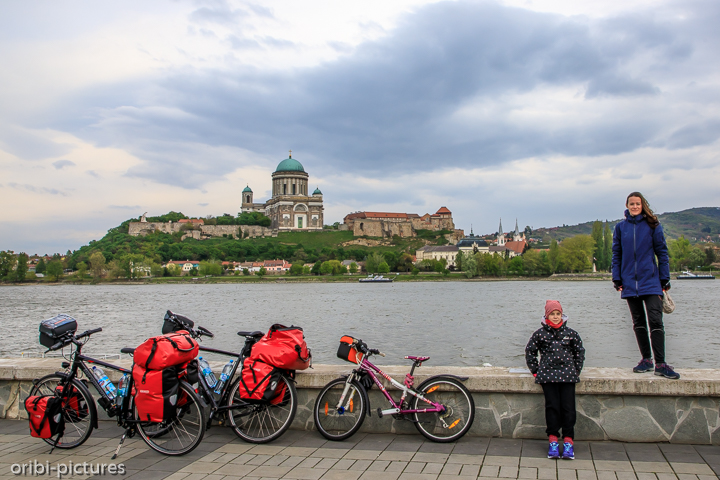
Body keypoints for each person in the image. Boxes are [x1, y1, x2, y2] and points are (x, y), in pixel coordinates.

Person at [611, 192, 678, 379]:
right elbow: (616, 255)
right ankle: (646, 360)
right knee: (638, 323)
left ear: (642, 206)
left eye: (637, 204)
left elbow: (662, 253)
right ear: (627, 205)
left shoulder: (653, 226)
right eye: (631, 204)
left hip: (651, 281)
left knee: (655, 321)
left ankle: (661, 364)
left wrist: (664, 279)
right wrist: (617, 279)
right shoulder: (620, 228)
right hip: (629, 283)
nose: (634, 207)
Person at [526, 300, 585, 460]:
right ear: (547, 315)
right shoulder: (539, 334)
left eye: (558, 314)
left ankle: (568, 441)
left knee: (568, 408)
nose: (556, 317)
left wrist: (576, 369)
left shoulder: (571, 334)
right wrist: (535, 371)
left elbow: (579, 351)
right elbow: (530, 351)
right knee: (552, 408)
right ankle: (552, 440)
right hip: (547, 377)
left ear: (562, 315)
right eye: (552, 314)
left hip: (568, 377)